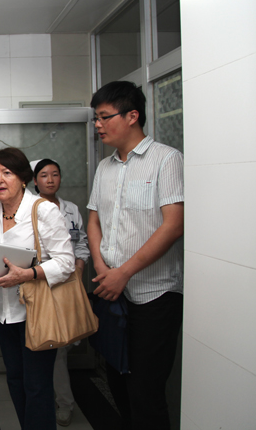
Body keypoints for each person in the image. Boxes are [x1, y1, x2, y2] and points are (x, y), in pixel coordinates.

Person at [87, 81, 184, 430]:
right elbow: (94, 220)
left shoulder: (166, 160)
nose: (98, 125)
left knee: (146, 390)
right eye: (96, 118)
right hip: (113, 292)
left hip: (154, 295)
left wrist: (124, 272)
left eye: (104, 117)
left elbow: (173, 225)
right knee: (117, 379)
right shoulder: (105, 167)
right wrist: (102, 266)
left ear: (132, 116)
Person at [0, 148, 75, 429]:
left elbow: (66, 262)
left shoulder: (43, 210)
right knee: (15, 380)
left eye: (7, 173)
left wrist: (28, 274)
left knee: (37, 385)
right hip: (2, 311)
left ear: (23, 178)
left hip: (37, 312)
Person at [31, 158, 90, 427]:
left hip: (68, 285)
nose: (50, 180)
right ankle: (53, 402)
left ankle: (63, 403)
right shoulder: (30, 209)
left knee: (61, 348)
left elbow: (81, 244)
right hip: (41, 285)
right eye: (44, 175)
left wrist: (77, 269)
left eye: (55, 174)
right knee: (47, 347)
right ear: (35, 181)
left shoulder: (71, 210)